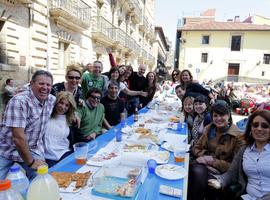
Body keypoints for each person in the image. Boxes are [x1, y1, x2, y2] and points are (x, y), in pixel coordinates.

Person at [0, 70, 55, 179]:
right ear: (31, 83)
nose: (45, 87)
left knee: (42, 180)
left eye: (48, 84)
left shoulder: (51, 100)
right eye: (41, 83)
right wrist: (31, 162)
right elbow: (18, 138)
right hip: (7, 150)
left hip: (33, 149)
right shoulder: (20, 101)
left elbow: (65, 105)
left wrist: (74, 114)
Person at [208, 110, 270, 200]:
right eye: (255, 125)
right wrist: (220, 182)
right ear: (250, 128)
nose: (259, 129)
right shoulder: (244, 150)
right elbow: (232, 173)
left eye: (265, 126)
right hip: (247, 197)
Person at [188, 100, 243, 200]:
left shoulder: (238, 137)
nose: (218, 119)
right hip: (204, 165)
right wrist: (204, 156)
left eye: (222, 115)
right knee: (195, 172)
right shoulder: (209, 129)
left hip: (223, 173)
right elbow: (196, 148)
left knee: (199, 176)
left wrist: (213, 161)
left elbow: (236, 167)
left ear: (229, 116)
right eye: (215, 116)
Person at [44, 91, 77, 167]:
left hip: (64, 153)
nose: (63, 107)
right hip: (47, 157)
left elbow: (78, 137)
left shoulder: (70, 121)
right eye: (61, 103)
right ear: (56, 102)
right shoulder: (45, 116)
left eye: (66, 105)